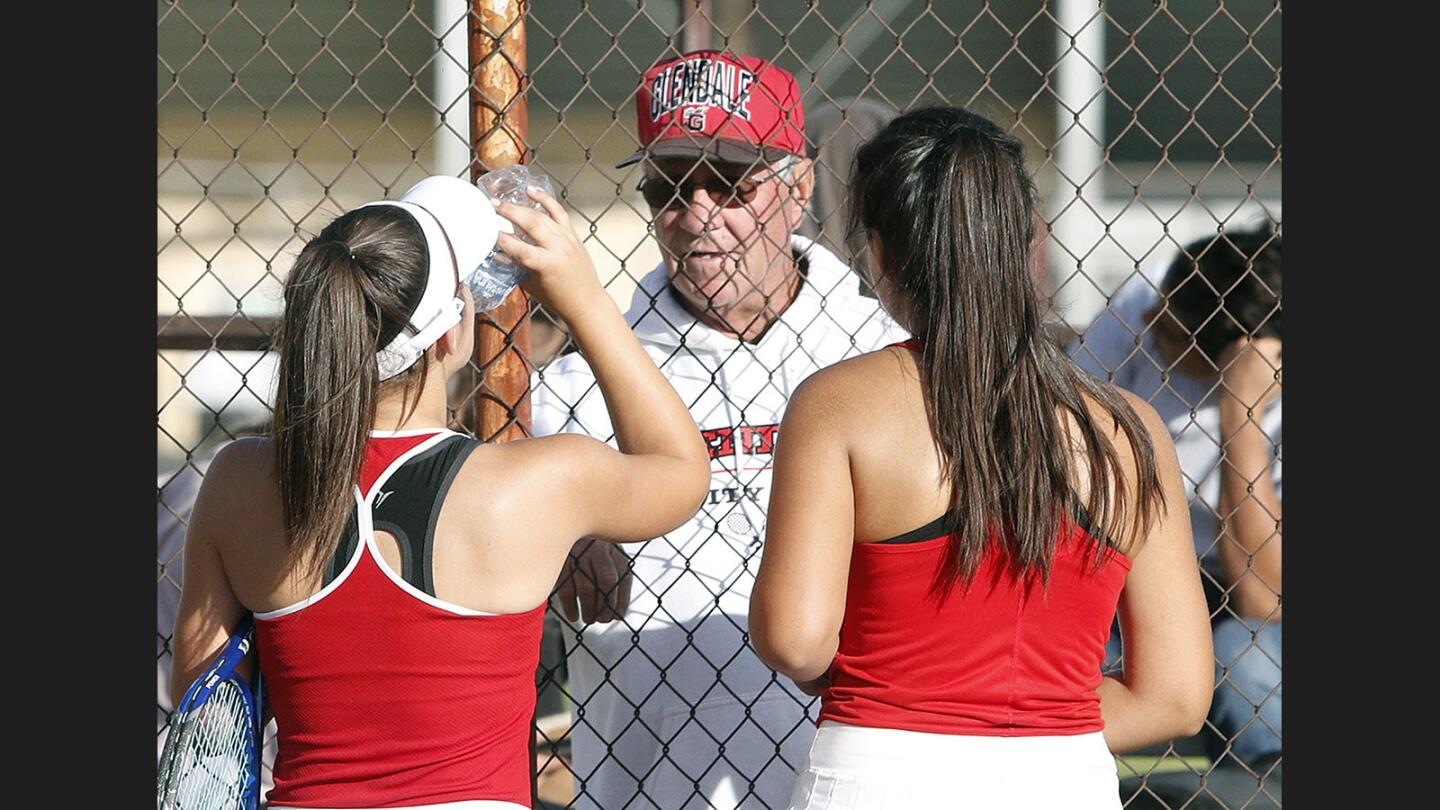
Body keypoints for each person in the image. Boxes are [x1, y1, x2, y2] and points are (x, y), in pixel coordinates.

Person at [168, 174, 711, 809]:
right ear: (451, 338)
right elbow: (681, 469)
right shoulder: (530, 486)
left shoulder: (240, 481)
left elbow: (202, 694)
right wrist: (586, 303)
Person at [748, 106, 1214, 809]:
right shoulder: (1128, 431)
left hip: (879, 768)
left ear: (879, 253)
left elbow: (794, 639)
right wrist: (1029, 721)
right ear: (1028, 242)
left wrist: (921, 695)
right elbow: (1176, 698)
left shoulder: (838, 405)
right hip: (1063, 779)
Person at [534, 50, 908, 810]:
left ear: (799, 188)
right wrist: (563, 532)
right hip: (649, 788)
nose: (698, 216)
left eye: (732, 185)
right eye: (670, 188)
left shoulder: (880, 353)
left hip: (852, 781)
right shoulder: (576, 390)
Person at [1069, 225, 1283, 773]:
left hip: (1234, 600)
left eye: (1170, 331)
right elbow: (1058, 439)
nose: (1148, 323)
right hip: (1122, 575)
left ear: (1235, 355)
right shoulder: (1141, 305)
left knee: (1245, 658)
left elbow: (1262, 599)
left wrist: (1241, 414)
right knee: (1078, 657)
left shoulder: (1261, 393)